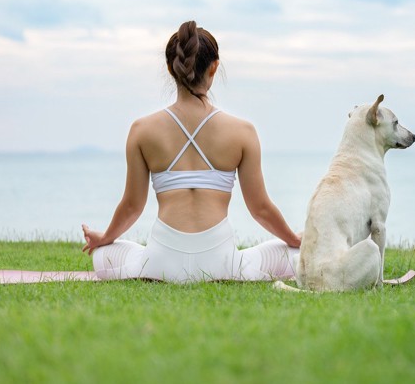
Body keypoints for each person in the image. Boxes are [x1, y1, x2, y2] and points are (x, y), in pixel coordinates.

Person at [81, 20, 301, 283]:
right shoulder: (243, 131)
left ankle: (143, 265)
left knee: (103, 255)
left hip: (160, 262)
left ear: (169, 68)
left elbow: (131, 207)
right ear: (214, 67)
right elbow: (260, 209)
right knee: (291, 255)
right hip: (222, 263)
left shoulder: (142, 130)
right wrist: (294, 240)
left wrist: (104, 238)